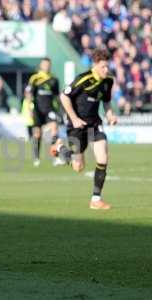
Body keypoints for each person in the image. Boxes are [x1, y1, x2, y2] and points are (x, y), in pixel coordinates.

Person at [51, 48, 118, 210]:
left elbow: (106, 102)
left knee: (103, 158)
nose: (106, 70)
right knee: (78, 167)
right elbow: (64, 96)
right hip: (76, 126)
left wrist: (110, 115)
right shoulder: (83, 79)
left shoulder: (108, 82)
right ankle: (59, 148)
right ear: (95, 65)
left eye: (107, 66)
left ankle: (96, 199)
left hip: (94, 124)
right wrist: (74, 119)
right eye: (103, 67)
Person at [26, 57, 60, 167]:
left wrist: (59, 109)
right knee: (37, 133)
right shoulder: (35, 78)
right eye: (45, 64)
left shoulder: (54, 79)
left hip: (50, 109)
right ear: (41, 65)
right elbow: (29, 94)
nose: (47, 66)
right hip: (37, 109)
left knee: (54, 128)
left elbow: (57, 96)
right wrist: (30, 108)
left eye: (48, 65)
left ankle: (55, 156)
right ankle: (36, 157)